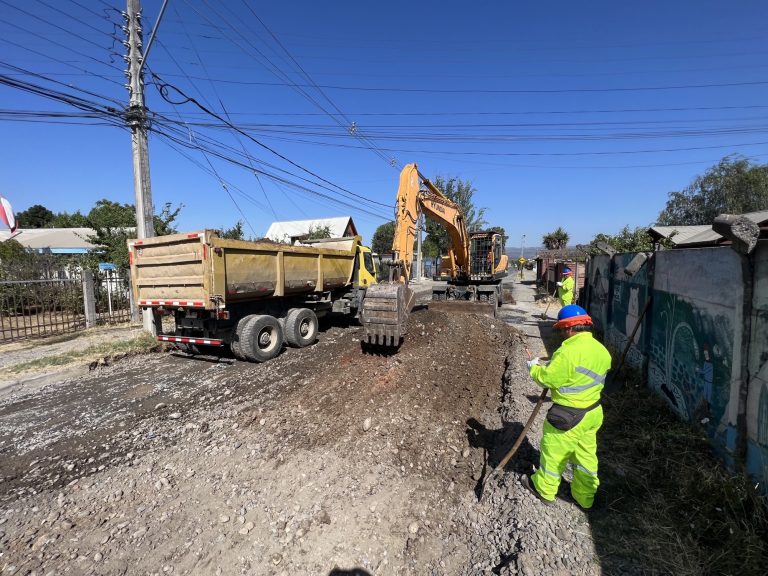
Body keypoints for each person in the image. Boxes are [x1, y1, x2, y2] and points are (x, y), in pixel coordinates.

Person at [521, 304, 611, 510]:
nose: (561, 333)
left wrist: (533, 368)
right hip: (593, 412)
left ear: (569, 328)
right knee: (586, 456)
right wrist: (555, 362)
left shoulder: (568, 351)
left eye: (562, 329)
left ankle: (543, 489)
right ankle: (585, 496)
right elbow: (580, 371)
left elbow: (548, 379)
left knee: (553, 453)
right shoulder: (601, 350)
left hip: (568, 416)